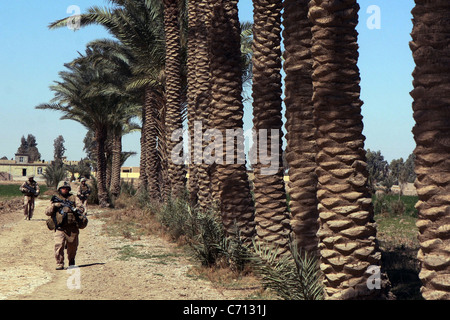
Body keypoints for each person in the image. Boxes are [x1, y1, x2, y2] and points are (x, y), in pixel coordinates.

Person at [45, 181, 87, 270]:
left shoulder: (74, 198)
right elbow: (47, 212)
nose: (65, 190)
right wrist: (54, 206)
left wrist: (75, 209)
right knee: (58, 245)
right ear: (59, 189)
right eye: (63, 188)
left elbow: (82, 208)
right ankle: (59, 263)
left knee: (72, 246)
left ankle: (71, 261)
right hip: (60, 227)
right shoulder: (55, 199)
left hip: (72, 227)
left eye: (67, 188)